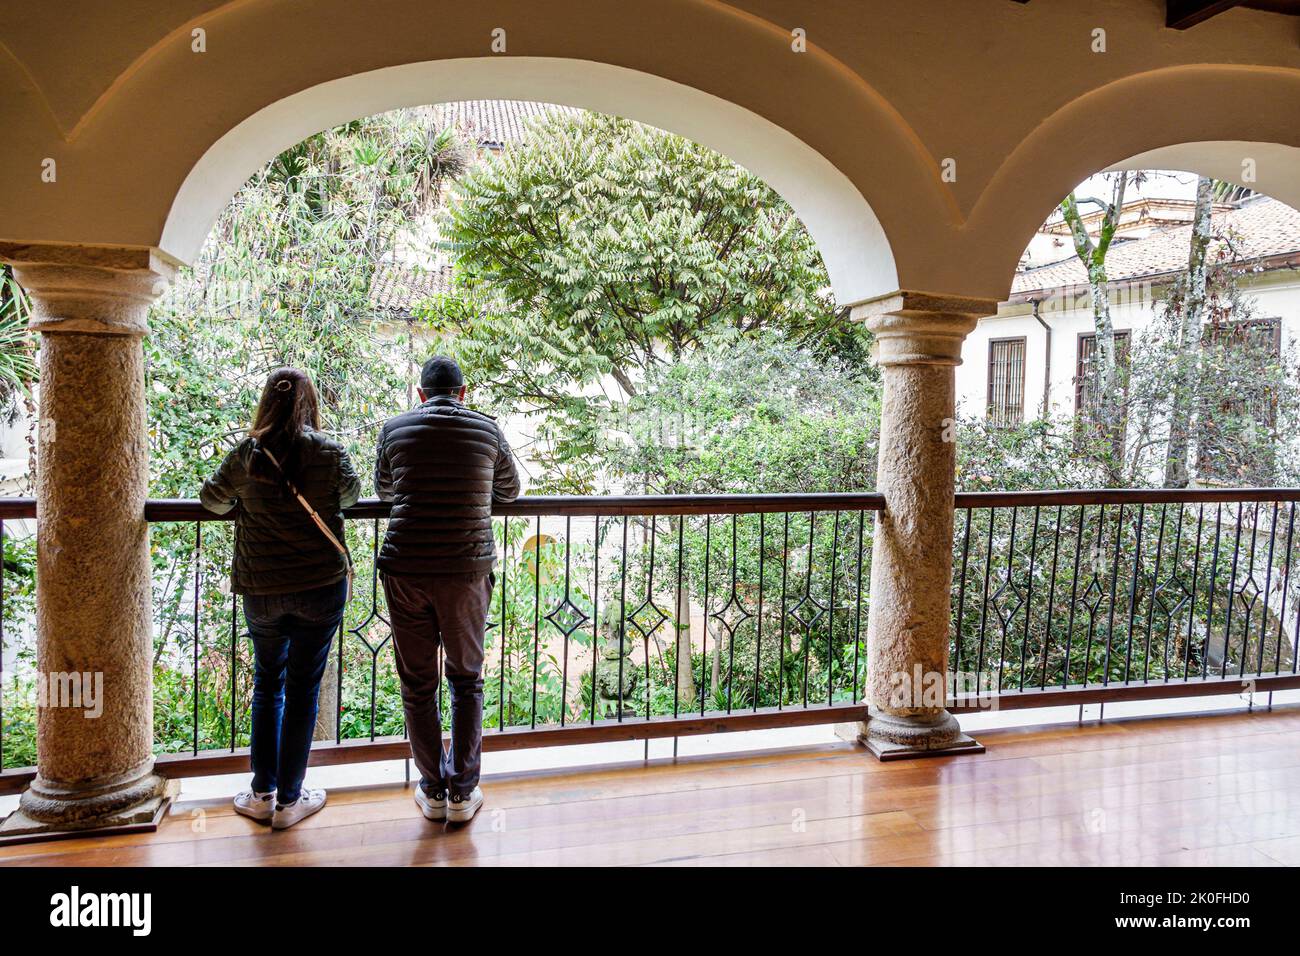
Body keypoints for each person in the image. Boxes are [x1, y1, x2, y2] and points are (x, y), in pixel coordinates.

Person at [200, 368, 361, 830]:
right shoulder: (329, 452)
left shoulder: (247, 455)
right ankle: (292, 800)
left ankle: (261, 792)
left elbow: (211, 500)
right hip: (319, 587)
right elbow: (350, 498)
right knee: (304, 687)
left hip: (263, 590)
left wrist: (246, 504)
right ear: (310, 404)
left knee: (268, 684)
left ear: (266, 403)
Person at [375, 355, 520, 824]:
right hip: (465, 569)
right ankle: (462, 794)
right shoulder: (487, 430)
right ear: (463, 393)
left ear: (421, 394)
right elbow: (511, 490)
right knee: (466, 680)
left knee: (418, 685)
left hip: (406, 568)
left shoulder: (394, 429)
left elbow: (384, 492)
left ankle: (432, 790)